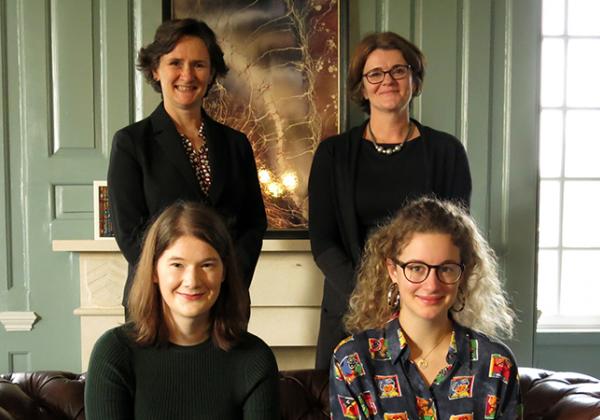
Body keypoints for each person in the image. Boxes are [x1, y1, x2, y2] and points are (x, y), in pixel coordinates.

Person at [308, 31, 472, 369]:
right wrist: (373, 298)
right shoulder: (333, 154)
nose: (388, 80)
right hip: (348, 307)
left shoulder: (447, 152)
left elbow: (456, 239)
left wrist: (409, 296)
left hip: (426, 306)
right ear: (362, 86)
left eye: (399, 70)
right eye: (376, 74)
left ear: (414, 78)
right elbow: (323, 242)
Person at [108, 18, 266, 311]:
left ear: (211, 73)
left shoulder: (236, 144)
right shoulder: (130, 143)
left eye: (199, 64)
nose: (187, 74)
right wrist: (178, 283)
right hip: (156, 301)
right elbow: (130, 233)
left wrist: (226, 279)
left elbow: (253, 223)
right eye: (175, 63)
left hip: (226, 299)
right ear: (155, 70)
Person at [329, 197, 521, 419]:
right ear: (393, 270)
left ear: (463, 273)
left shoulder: (496, 363)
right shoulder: (352, 361)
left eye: (446, 269)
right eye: (417, 268)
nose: (432, 284)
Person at [85, 201, 279, 419]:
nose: (192, 281)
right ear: (154, 271)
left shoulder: (255, 359)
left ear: (223, 272)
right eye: (177, 265)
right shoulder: (114, 353)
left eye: (207, 265)